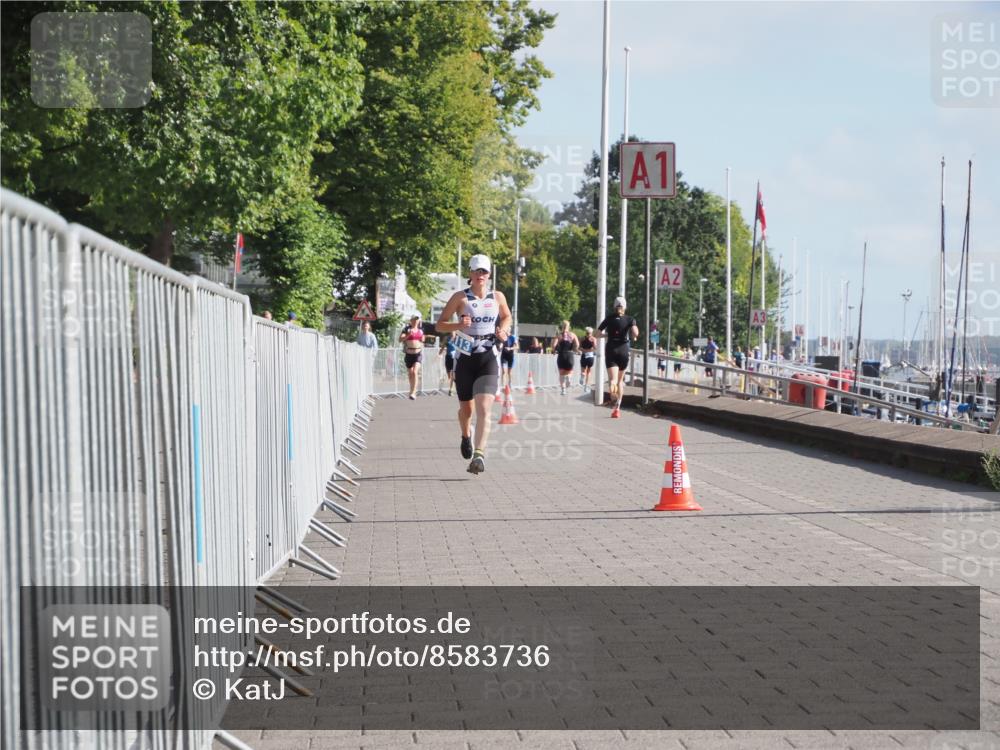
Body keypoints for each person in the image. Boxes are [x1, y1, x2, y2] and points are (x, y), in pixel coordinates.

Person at [435, 254, 512, 475]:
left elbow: (506, 316)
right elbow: (440, 325)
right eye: (477, 271)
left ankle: (479, 455)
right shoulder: (460, 297)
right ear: (470, 273)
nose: (481, 275)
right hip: (465, 358)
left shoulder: (497, 296)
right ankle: (465, 436)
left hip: (488, 356)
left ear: (489, 275)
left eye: (484, 272)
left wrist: (504, 330)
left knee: (484, 409)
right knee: (466, 410)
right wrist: (459, 323)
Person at [596, 296, 639, 412]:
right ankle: (618, 406)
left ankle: (612, 393)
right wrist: (633, 336)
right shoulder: (630, 319)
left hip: (611, 349)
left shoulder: (609, 318)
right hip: (624, 349)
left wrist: (607, 335)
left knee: (613, 380)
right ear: (625, 307)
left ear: (614, 306)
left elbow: (597, 334)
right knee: (620, 381)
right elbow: (635, 333)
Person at [399, 313, 424, 399]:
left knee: (414, 372)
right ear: (411, 320)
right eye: (414, 319)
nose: (415, 321)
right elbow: (400, 339)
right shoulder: (406, 329)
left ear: (419, 321)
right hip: (409, 353)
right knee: (410, 373)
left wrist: (423, 340)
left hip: (418, 354)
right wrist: (408, 335)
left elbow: (422, 339)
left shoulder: (421, 330)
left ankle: (414, 392)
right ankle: (411, 389)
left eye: (417, 319)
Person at [554, 321, 579, 395]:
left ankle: (563, 390)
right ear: (569, 326)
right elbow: (577, 344)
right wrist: (575, 349)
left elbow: (554, 345)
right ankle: (568, 377)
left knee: (561, 374)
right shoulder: (572, 335)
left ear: (562, 326)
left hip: (561, 355)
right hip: (569, 355)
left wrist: (554, 350)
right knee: (569, 371)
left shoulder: (559, 335)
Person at [579, 326, 597, 391]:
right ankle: (586, 386)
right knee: (589, 372)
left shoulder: (582, 338)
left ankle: (582, 375)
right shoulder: (593, 339)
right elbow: (595, 348)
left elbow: (579, 347)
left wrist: (584, 350)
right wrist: (590, 350)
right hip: (590, 357)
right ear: (591, 332)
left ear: (585, 332)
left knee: (583, 370)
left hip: (584, 356)